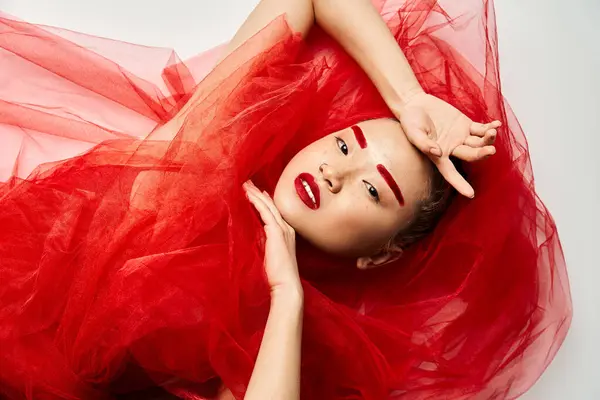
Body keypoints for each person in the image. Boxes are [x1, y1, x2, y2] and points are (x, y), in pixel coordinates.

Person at [0, 0, 571, 399]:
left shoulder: (264, 335)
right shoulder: (210, 145)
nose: (334, 170)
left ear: (380, 256)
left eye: (373, 190)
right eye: (346, 144)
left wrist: (286, 298)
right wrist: (409, 99)